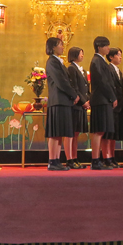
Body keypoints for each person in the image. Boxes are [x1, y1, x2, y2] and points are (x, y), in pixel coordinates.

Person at [44, 37, 79, 171]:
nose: (63, 47)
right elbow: (61, 81)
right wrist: (73, 94)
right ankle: (52, 160)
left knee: (59, 132)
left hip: (63, 101)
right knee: (55, 133)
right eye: (60, 45)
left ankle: (57, 160)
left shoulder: (58, 61)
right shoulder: (52, 61)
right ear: (53, 47)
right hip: (58, 101)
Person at [88, 37, 116, 169]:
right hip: (100, 99)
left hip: (104, 99)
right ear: (99, 47)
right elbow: (102, 81)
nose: (108, 48)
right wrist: (112, 97)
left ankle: (100, 159)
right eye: (106, 46)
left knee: (102, 131)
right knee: (98, 131)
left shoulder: (101, 60)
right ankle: (95, 160)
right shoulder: (97, 61)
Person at [66, 46, 90, 170]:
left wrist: (88, 100)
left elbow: (86, 88)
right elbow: (74, 87)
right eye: (80, 53)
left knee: (76, 133)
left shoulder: (83, 70)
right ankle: (70, 159)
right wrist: (83, 101)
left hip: (82, 105)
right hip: (75, 105)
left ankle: (75, 158)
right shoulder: (71, 68)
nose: (82, 55)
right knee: (72, 133)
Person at [105, 47, 123, 168]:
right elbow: (109, 86)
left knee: (114, 134)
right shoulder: (109, 69)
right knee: (108, 134)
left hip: (119, 106)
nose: (120, 57)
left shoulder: (119, 71)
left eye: (121, 55)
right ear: (111, 57)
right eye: (118, 55)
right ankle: (107, 157)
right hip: (112, 104)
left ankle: (112, 157)